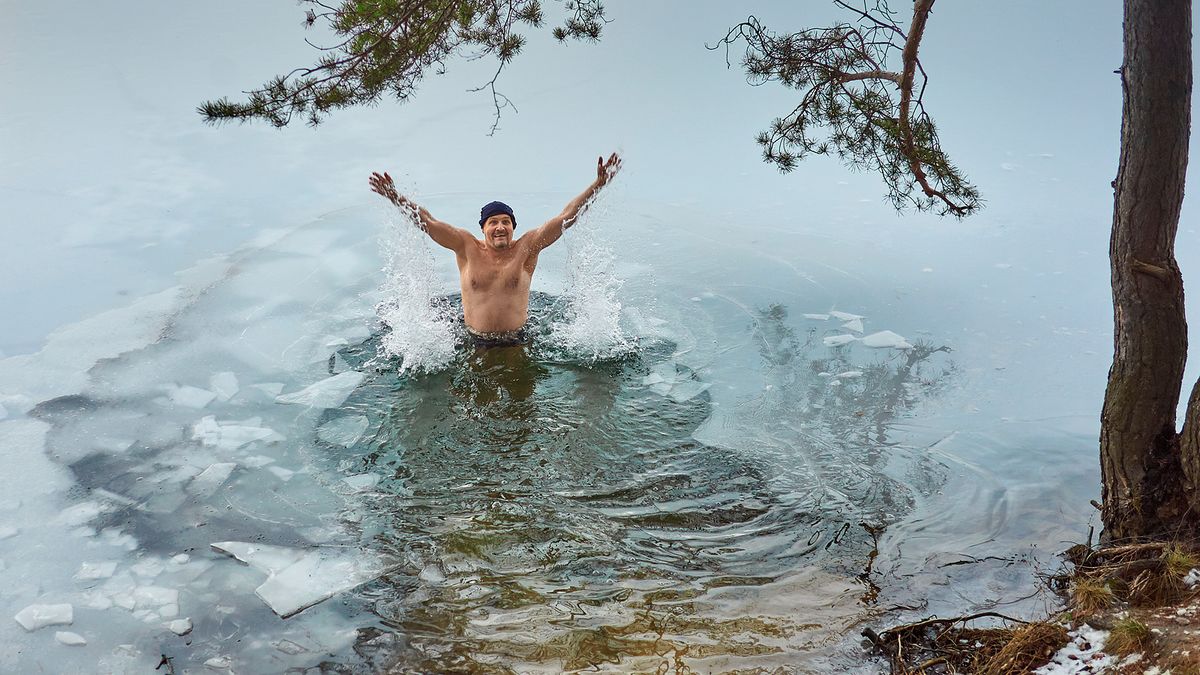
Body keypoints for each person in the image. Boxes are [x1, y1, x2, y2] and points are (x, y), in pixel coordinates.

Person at [369, 153, 621, 347]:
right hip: (474, 342)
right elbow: (428, 221)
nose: (500, 227)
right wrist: (395, 197)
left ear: (513, 227)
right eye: (493, 222)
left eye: (506, 222)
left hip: (517, 342)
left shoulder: (527, 248)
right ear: (483, 228)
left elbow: (566, 216)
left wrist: (597, 185)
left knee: (522, 408)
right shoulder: (466, 246)